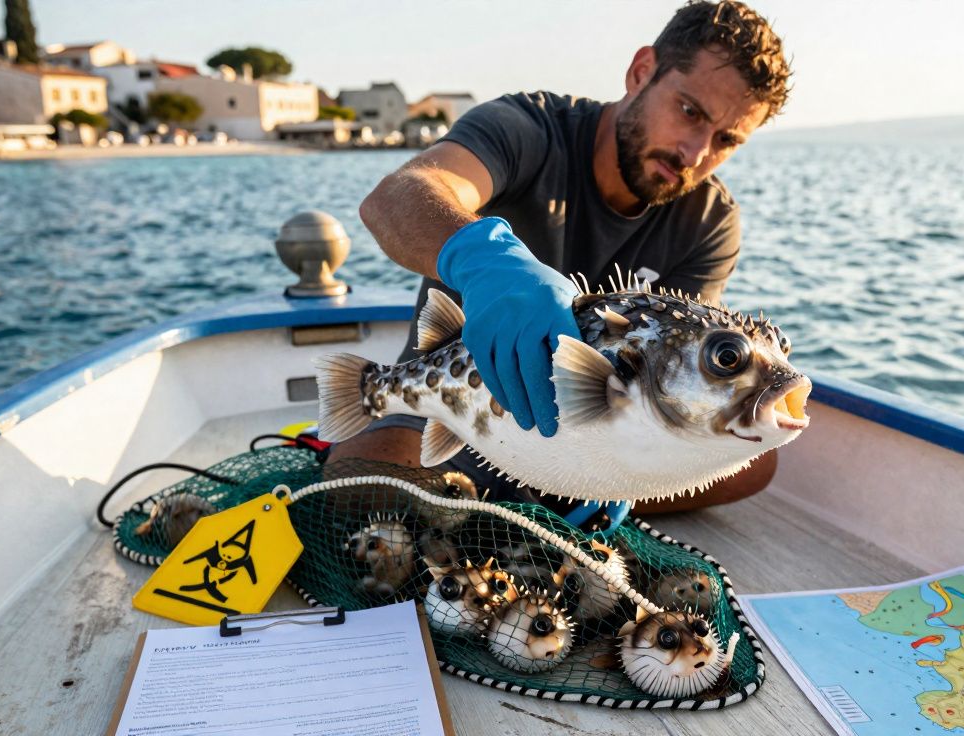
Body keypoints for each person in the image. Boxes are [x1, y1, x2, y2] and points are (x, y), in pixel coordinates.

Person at [328, 0, 792, 529]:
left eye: (727, 140)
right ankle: (509, 510)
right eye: (690, 111)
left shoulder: (710, 219)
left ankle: (553, 503)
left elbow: (688, 381)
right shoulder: (525, 129)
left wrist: (632, 468)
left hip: (603, 436)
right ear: (642, 72)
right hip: (458, 414)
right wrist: (486, 262)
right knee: (360, 492)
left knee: (755, 462)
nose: (694, 152)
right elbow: (395, 199)